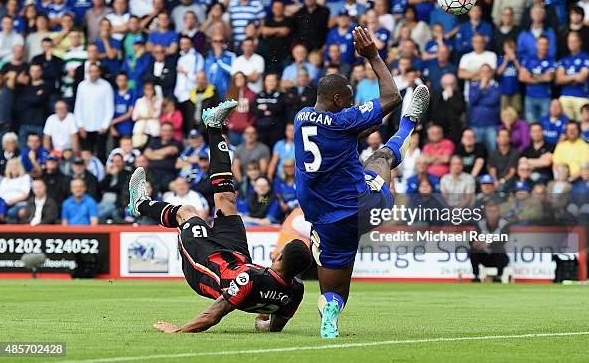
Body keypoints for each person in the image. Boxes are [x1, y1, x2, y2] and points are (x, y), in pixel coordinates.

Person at [127, 100, 311, 333]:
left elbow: (212, 315)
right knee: (226, 198)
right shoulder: (296, 290)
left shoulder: (250, 280)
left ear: (280, 258)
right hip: (237, 258)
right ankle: (214, 127)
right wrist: (262, 319)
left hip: (205, 267)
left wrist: (177, 330)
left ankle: (141, 203)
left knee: (188, 212)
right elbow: (273, 327)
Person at [294, 27, 429, 338]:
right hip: (362, 207)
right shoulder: (343, 121)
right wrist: (372, 55)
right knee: (380, 159)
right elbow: (391, 96)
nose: (351, 104)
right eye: (349, 100)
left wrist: (364, 124)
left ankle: (329, 313)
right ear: (338, 98)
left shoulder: (301, 117)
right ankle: (408, 124)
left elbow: (345, 136)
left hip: (324, 218)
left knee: (335, 291)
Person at [469, 202, 509, 282]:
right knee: (473, 251)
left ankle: (498, 276)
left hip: (499, 257)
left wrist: (486, 244)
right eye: (490, 211)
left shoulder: (504, 224)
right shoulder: (480, 223)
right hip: (485, 256)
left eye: (494, 211)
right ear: (486, 212)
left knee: (499, 251)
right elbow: (472, 239)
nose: (492, 214)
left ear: (498, 212)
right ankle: (476, 276)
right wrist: (475, 243)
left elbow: (502, 240)